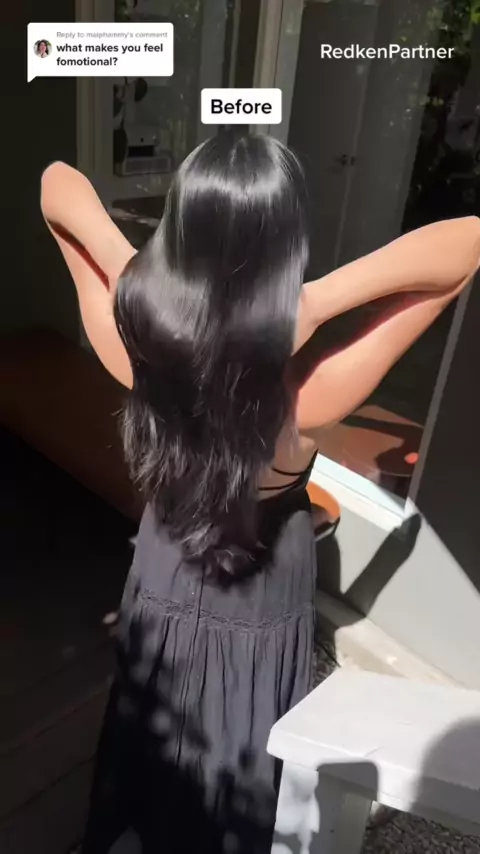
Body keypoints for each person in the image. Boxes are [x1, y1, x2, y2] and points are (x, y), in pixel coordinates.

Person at [40, 132, 480, 853]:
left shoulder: (132, 350)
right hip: (261, 589)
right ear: (285, 254)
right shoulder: (308, 397)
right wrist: (311, 303)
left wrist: (143, 285)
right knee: (243, 727)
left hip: (165, 565)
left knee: (151, 706)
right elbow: (465, 246)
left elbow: (58, 185)